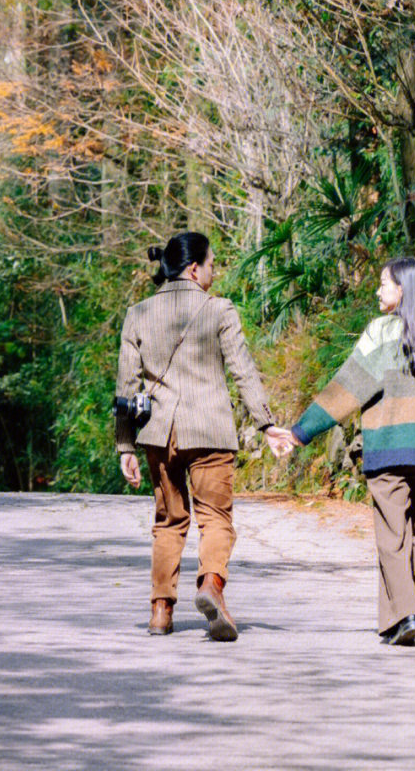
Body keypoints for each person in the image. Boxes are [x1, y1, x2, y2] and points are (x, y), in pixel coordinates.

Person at [115, 231, 293, 639]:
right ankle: (211, 585)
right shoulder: (220, 310)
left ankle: (161, 611)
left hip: (160, 433)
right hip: (210, 429)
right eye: (212, 265)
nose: (214, 272)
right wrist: (266, 423)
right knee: (215, 519)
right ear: (194, 269)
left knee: (167, 521)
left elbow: (126, 386)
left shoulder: (138, 313)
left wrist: (125, 444)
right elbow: (243, 370)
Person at [287, 255, 415, 647]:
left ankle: (409, 612)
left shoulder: (383, 331)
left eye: (384, 283)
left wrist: (302, 430)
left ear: (402, 290)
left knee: (390, 535)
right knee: (410, 535)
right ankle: (395, 623)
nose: (378, 290)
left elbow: (349, 386)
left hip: (392, 449)